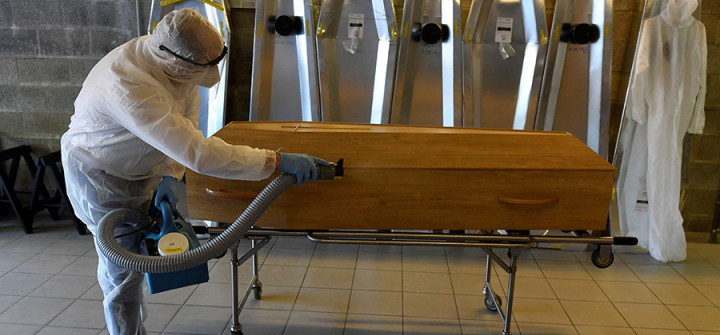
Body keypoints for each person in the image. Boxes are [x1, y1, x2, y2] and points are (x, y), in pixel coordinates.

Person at [61, 8, 328, 335]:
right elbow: (199, 153)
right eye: (203, 67)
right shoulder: (129, 84)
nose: (211, 73)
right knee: (123, 268)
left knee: (138, 253)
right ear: (176, 63)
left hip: (141, 166)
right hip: (101, 177)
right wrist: (275, 161)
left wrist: (171, 173)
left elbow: (186, 115)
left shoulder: (171, 59)